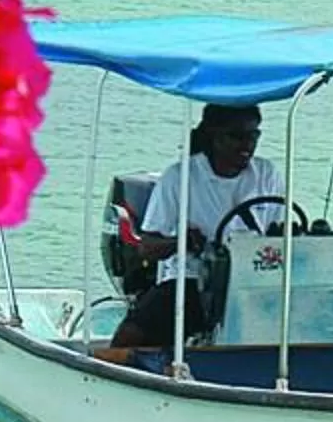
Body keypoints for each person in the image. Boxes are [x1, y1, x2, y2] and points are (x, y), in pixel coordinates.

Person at [109, 104, 287, 354]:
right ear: (215, 135)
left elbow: (278, 232)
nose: (247, 144)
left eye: (253, 135)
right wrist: (181, 242)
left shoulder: (266, 174)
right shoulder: (180, 177)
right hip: (191, 279)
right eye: (237, 136)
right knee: (132, 333)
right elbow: (147, 248)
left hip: (252, 280)